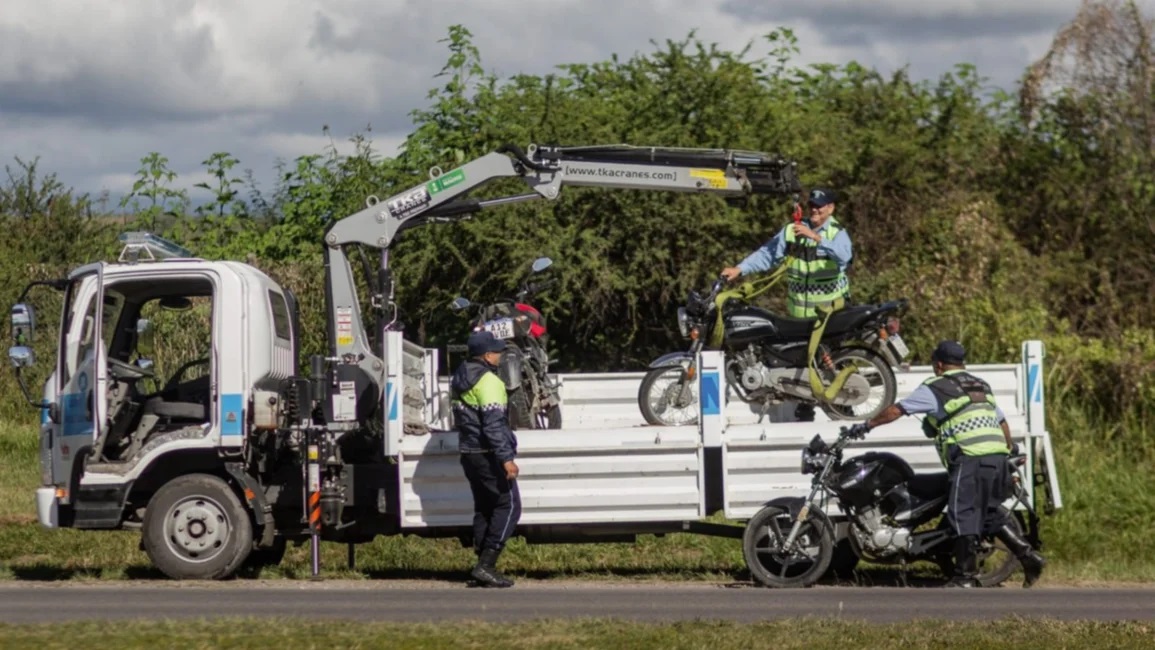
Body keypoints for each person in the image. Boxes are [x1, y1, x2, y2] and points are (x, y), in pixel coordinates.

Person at [845, 340, 1046, 588]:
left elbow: (897, 410)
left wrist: (867, 425)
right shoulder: (980, 385)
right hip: (997, 457)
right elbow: (1001, 421)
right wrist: (1007, 449)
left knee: (962, 514)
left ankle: (965, 577)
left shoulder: (936, 387)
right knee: (988, 513)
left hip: (971, 456)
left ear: (938, 364)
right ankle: (1030, 557)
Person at [721, 187, 853, 421]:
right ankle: (805, 406)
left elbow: (845, 256)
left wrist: (816, 238)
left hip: (830, 312)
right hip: (799, 314)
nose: (815, 209)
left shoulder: (836, 232)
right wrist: (739, 269)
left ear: (831, 208)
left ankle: (846, 404)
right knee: (798, 360)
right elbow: (767, 255)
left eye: (820, 206)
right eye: (812, 204)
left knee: (832, 358)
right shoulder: (792, 231)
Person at [451, 329, 522, 588]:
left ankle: (481, 565)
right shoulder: (489, 382)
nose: (501, 355)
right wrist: (506, 458)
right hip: (488, 454)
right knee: (510, 506)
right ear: (487, 355)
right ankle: (487, 564)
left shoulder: (460, 376)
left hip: (469, 452)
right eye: (498, 351)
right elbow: (493, 425)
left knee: (485, 508)